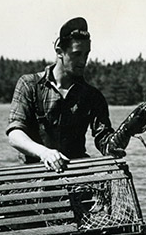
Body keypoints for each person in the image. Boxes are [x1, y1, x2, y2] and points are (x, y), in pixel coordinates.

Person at [6, 17, 116, 172]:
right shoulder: (29, 85)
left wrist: (127, 132)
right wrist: (44, 153)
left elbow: (107, 145)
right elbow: (15, 134)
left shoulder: (92, 95)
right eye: (77, 54)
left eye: (86, 54)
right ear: (59, 52)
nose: (83, 61)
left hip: (75, 175)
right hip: (34, 174)